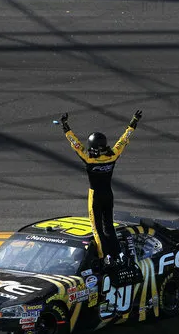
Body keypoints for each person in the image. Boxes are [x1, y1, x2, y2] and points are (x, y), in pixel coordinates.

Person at [60, 110, 142, 268]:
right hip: (109, 195)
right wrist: (133, 122)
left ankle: (104, 257)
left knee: (96, 228)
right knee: (109, 226)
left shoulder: (88, 158)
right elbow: (123, 140)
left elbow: (76, 145)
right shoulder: (113, 156)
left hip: (95, 196)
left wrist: (65, 127)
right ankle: (118, 254)